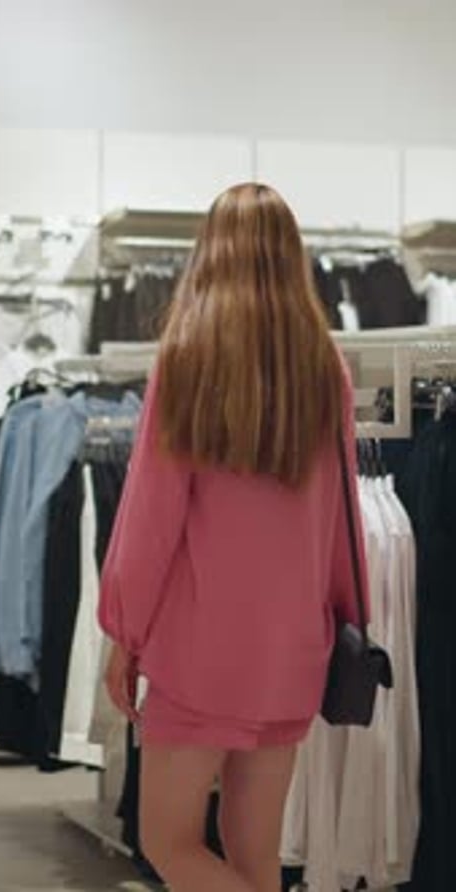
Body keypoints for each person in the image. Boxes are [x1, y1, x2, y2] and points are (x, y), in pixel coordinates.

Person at [98, 183, 369, 892]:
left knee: (169, 843)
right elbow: (341, 519)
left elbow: (150, 518)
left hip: (201, 650)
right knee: (255, 860)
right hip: (293, 646)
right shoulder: (326, 370)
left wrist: (124, 633)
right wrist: (346, 621)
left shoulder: (189, 358)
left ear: (210, 253)